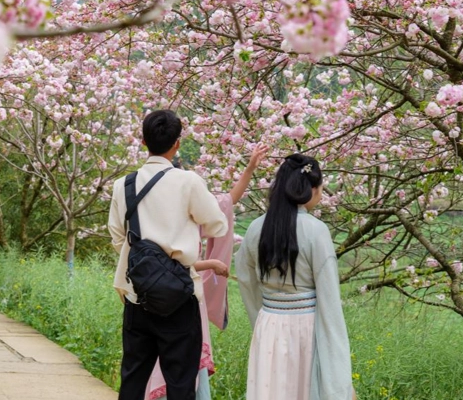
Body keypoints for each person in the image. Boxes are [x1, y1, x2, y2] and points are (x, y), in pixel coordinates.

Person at [108, 110, 228, 400]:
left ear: (143, 140)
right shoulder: (188, 182)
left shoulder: (123, 185)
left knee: (133, 380)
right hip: (180, 298)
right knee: (181, 385)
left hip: (138, 296)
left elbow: (116, 237)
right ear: (177, 143)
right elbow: (217, 225)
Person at [145, 143, 270, 400]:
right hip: (182, 290)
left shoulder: (153, 204)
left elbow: (227, 201)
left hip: (156, 290)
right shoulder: (168, 205)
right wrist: (211, 264)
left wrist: (249, 168)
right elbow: (176, 262)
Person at [234, 154, 355, 400]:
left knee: (272, 390)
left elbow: (245, 279)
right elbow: (329, 299)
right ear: (311, 189)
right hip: (306, 326)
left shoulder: (257, 227)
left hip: (268, 324)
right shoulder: (316, 230)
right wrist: (339, 371)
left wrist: (263, 314)